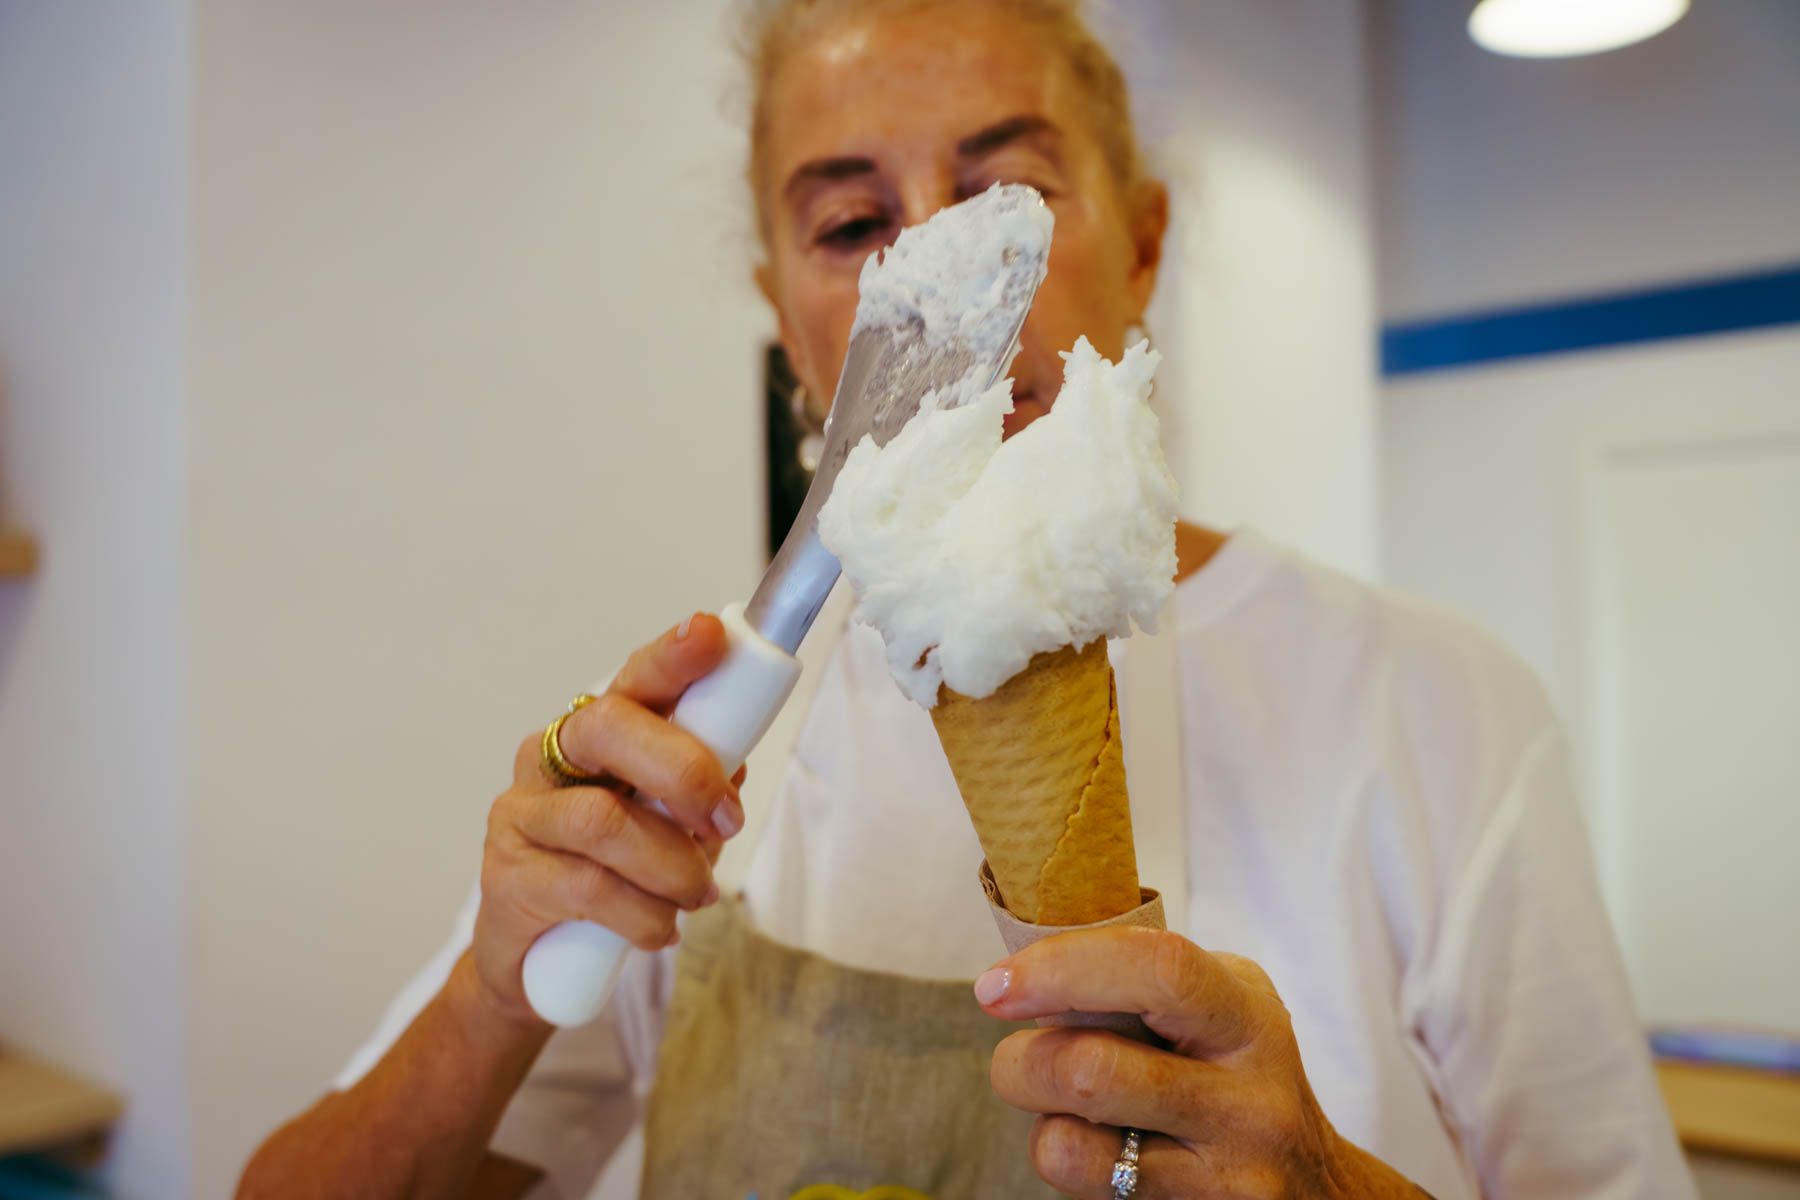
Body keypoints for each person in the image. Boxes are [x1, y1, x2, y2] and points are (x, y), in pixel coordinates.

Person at [239, 2, 1693, 1197]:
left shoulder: (1437, 711)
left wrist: (1326, 1180)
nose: (935, 273)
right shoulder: (698, 759)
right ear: (790, 324)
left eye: (1013, 193)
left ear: (1142, 243)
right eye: (849, 220)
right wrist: (494, 991)